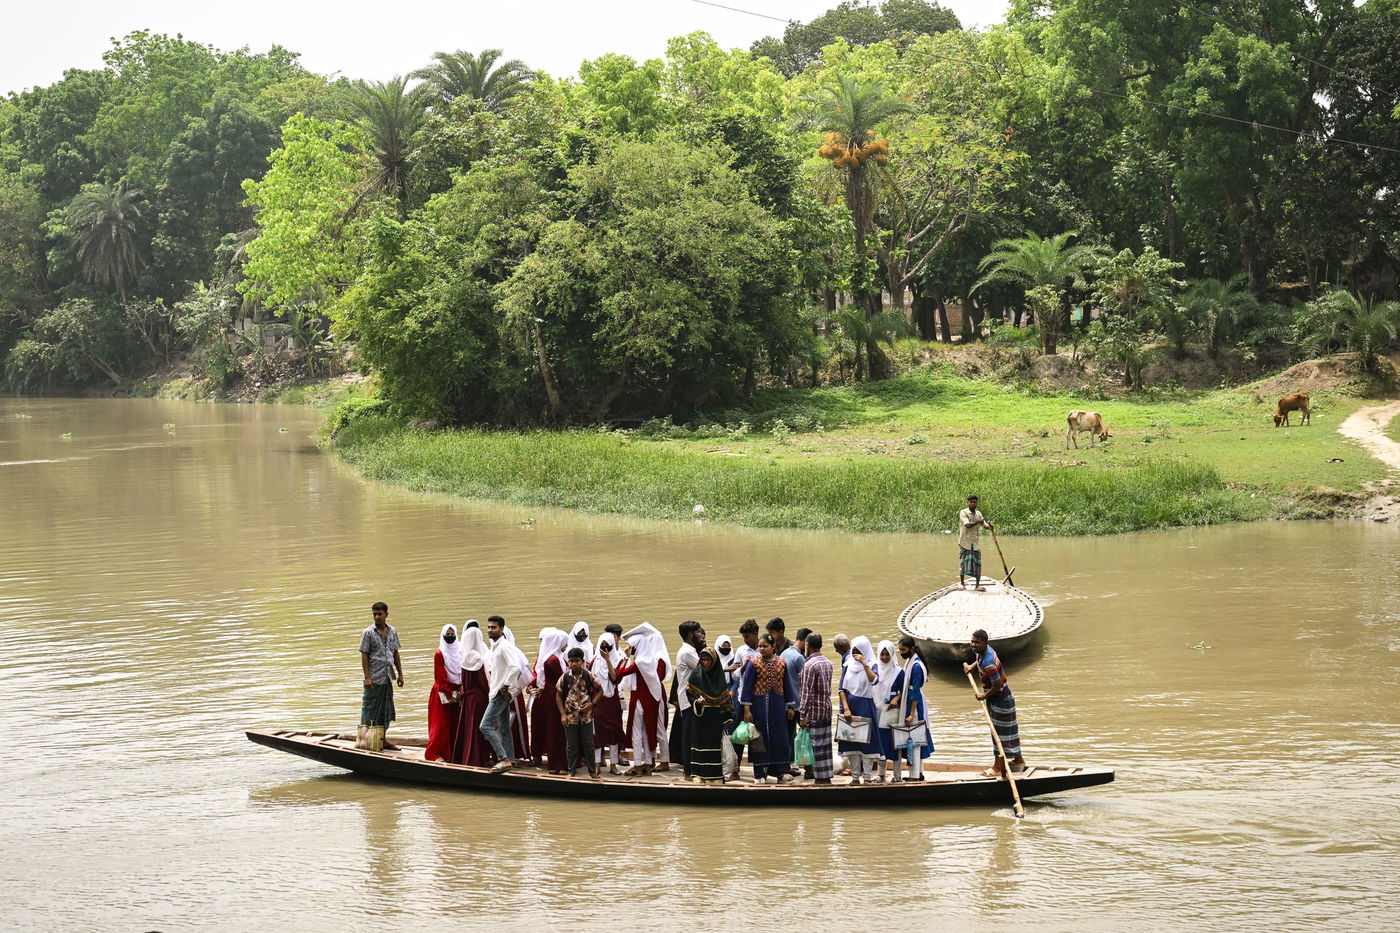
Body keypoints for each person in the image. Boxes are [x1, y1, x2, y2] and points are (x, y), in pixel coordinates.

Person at [606, 622, 669, 775]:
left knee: (636, 732)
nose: (631, 649)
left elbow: (619, 674)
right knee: (647, 732)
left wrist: (625, 658)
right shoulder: (650, 660)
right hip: (650, 700)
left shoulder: (639, 662)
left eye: (632, 647)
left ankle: (638, 765)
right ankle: (648, 763)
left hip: (639, 700)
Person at [963, 628, 1027, 777]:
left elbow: (997, 684)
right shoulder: (984, 652)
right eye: (972, 641)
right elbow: (979, 660)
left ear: (985, 643)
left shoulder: (988, 662)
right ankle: (1018, 760)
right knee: (1009, 731)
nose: (973, 645)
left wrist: (983, 695)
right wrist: (972, 667)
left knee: (997, 734)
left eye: (977, 642)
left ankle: (997, 767)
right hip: (1002, 697)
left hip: (1001, 699)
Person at [739, 633, 799, 783]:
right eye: (760, 646)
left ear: (773, 647)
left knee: (780, 737)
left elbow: (787, 686)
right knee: (759, 738)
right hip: (759, 706)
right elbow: (747, 687)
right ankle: (760, 774)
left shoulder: (782, 663)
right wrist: (747, 709)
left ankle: (781, 771)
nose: (762, 649)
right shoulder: (754, 664)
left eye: (765, 646)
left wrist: (790, 706)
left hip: (778, 705)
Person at [482, 616, 529, 773]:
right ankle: (511, 759)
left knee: (485, 726)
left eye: (493, 627)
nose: (490, 630)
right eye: (488, 627)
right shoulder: (495, 646)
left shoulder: (504, 646)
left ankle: (503, 759)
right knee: (504, 728)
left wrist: (506, 685)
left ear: (502, 629)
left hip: (500, 693)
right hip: (496, 690)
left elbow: (515, 667)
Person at [884, 636, 935, 782]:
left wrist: (912, 714)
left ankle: (915, 775)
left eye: (903, 649)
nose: (901, 652)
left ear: (911, 648)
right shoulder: (910, 662)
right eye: (900, 649)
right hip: (910, 701)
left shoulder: (917, 667)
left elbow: (915, 691)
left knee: (915, 739)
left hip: (915, 704)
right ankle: (918, 772)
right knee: (913, 739)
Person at [358, 602, 404, 751]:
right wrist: (367, 677)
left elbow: (395, 653)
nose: (377, 617)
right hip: (374, 679)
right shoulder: (368, 633)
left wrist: (400, 674)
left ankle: (382, 739)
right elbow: (364, 655)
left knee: (386, 710)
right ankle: (365, 741)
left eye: (380, 614)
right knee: (369, 711)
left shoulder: (392, 631)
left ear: (386, 615)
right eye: (374, 614)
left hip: (387, 677)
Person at [838, 635, 882, 783]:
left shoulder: (872, 664)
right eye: (854, 650)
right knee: (852, 743)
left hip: (866, 707)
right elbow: (841, 689)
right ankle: (855, 777)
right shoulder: (847, 664)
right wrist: (846, 708)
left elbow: (874, 680)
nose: (855, 654)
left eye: (859, 651)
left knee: (867, 744)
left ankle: (868, 777)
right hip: (850, 707)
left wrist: (864, 664)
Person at [686, 647, 733, 784]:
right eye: (703, 660)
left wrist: (726, 717)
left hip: (714, 719)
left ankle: (715, 777)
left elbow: (725, 699)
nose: (705, 663)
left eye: (708, 660)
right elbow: (689, 694)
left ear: (714, 661)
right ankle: (698, 775)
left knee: (714, 747)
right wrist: (697, 702)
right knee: (699, 745)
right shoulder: (696, 675)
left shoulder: (719, 677)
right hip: (700, 717)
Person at [556, 647, 604, 779]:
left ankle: (592, 771)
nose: (574, 664)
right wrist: (562, 714)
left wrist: (592, 704)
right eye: (571, 661)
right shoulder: (565, 677)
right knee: (571, 744)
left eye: (577, 661)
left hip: (586, 716)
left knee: (588, 743)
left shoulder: (588, 675)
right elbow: (559, 695)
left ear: (582, 661)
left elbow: (600, 690)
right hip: (570, 716)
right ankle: (571, 771)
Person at [530, 627, 570, 773]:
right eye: (562, 642)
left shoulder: (553, 657)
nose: (565, 645)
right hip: (555, 696)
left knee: (555, 730)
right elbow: (562, 679)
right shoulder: (553, 660)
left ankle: (556, 764)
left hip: (552, 695)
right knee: (556, 731)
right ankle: (557, 765)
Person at [454, 622, 493, 767]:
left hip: (467, 697)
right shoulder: (477, 657)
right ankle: (479, 758)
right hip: (478, 697)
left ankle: (465, 757)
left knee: (468, 727)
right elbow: (482, 681)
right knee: (479, 728)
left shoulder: (464, 656)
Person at [797, 632, 834, 785]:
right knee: (825, 746)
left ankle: (820, 779)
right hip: (826, 709)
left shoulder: (809, 665)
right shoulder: (827, 662)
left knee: (816, 747)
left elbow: (806, 693)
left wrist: (803, 716)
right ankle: (826, 777)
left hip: (814, 712)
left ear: (808, 646)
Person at [670, 620, 705, 778]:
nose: (700, 635)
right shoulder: (688, 652)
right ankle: (688, 772)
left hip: (689, 698)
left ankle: (690, 770)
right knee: (690, 736)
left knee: (692, 734)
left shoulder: (688, 650)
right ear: (691, 634)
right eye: (698, 632)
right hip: (690, 699)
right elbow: (705, 667)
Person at [590, 624, 626, 774]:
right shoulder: (593, 661)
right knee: (597, 733)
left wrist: (608, 660)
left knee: (613, 731)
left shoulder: (618, 660)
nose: (605, 648)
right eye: (602, 645)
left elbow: (615, 678)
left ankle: (613, 765)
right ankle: (597, 764)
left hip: (612, 701)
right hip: (598, 701)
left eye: (608, 645)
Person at [496, 617, 532, 763]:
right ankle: (501, 755)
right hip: (499, 694)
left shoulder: (515, 653)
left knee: (513, 725)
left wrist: (513, 687)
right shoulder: (494, 651)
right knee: (500, 726)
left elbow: (522, 672)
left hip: (513, 694)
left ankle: (517, 754)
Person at [425, 623, 462, 761]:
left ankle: (453, 754)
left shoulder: (460, 652)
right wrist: (451, 692)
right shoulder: (440, 653)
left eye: (453, 635)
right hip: (442, 691)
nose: (450, 637)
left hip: (458, 691)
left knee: (455, 724)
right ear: (443, 636)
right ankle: (435, 754)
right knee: (440, 725)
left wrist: (460, 691)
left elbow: (462, 673)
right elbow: (440, 677)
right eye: (448, 635)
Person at [729, 620, 762, 775]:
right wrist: (744, 666)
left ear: (756, 634)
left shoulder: (764, 648)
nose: (745, 640)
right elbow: (734, 675)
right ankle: (735, 770)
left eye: (747, 636)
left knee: (758, 736)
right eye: (743, 637)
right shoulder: (742, 650)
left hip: (760, 699)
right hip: (743, 699)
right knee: (739, 736)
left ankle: (759, 771)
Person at [872, 640, 900, 782]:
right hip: (879, 710)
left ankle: (897, 775)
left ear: (892, 654)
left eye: (887, 654)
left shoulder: (898, 671)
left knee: (895, 743)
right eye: (882, 654)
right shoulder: (875, 668)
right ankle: (881, 774)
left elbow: (905, 690)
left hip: (893, 711)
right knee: (881, 743)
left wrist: (897, 699)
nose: (884, 657)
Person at [959, 494, 993, 590]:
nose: (973, 504)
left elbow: (985, 525)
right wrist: (979, 521)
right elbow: (967, 525)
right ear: (968, 503)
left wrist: (990, 527)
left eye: (975, 502)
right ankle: (962, 584)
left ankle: (977, 585)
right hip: (965, 542)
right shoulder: (963, 512)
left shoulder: (978, 513)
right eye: (971, 502)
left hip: (975, 543)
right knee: (963, 563)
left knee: (978, 563)